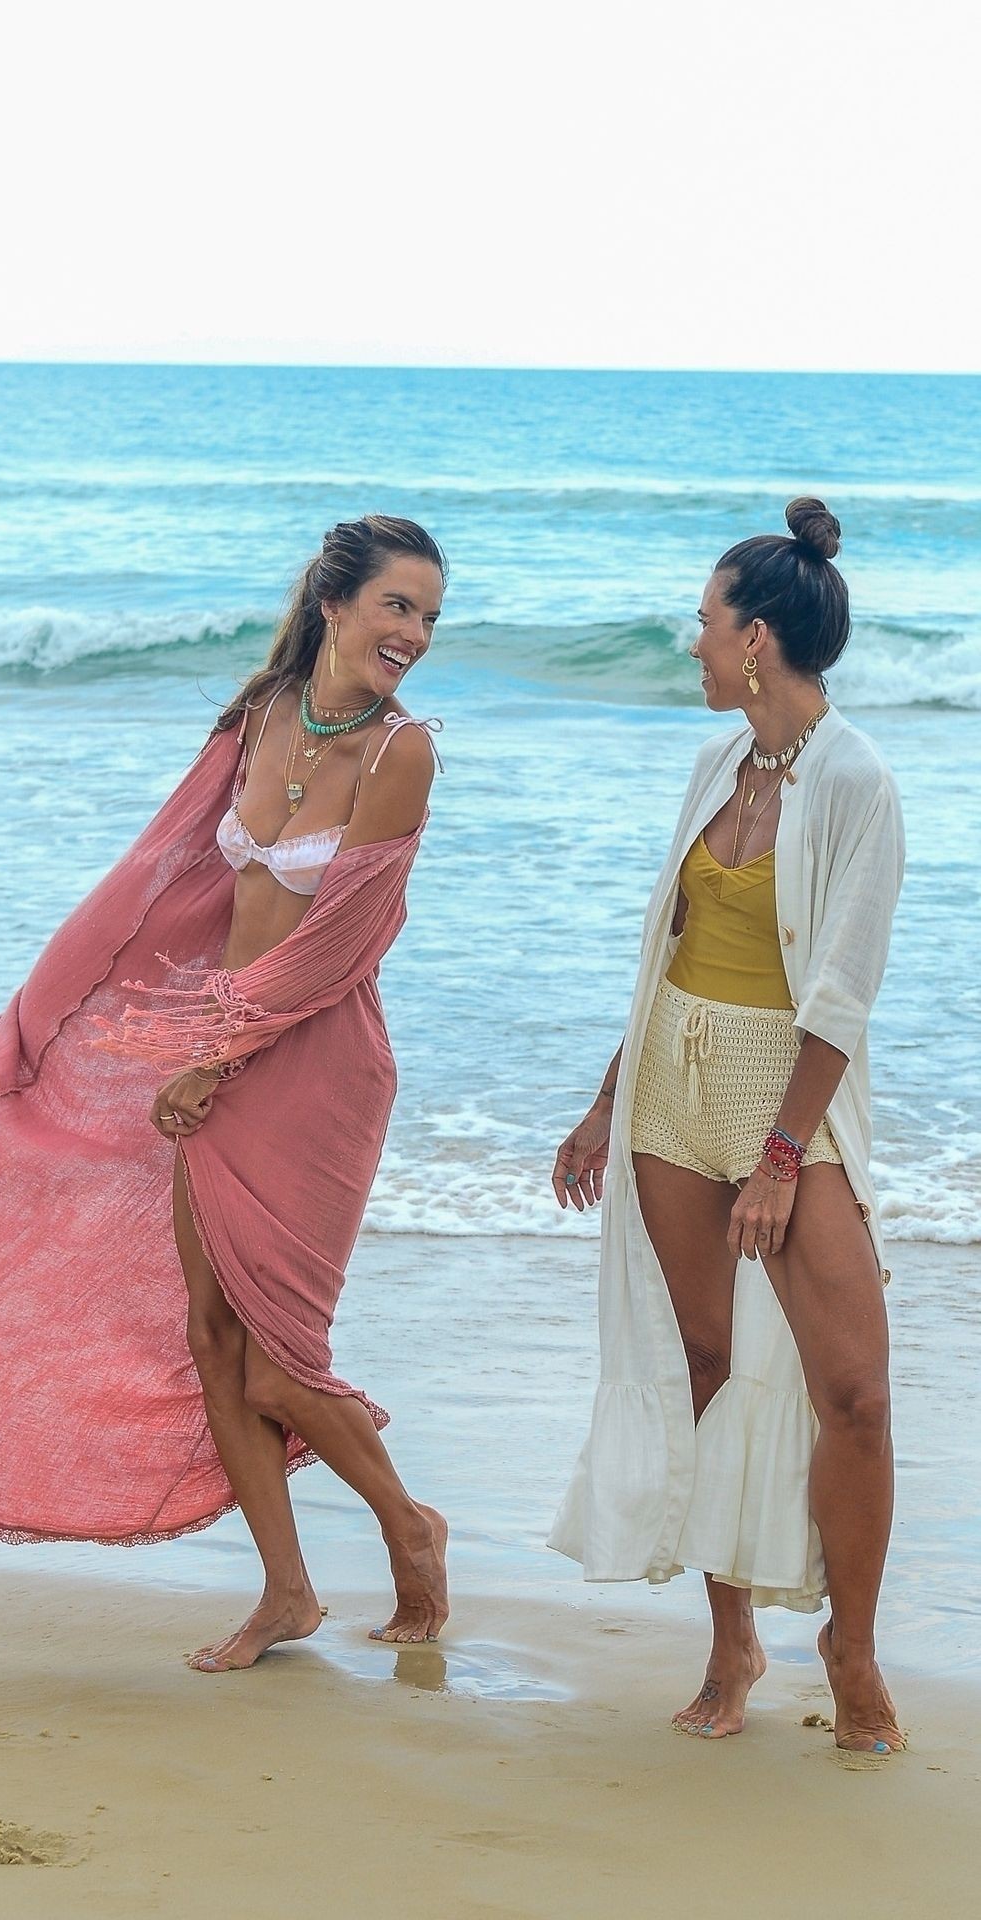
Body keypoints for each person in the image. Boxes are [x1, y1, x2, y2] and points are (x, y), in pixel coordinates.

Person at [0, 514, 450, 1673]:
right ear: (335, 604)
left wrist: (213, 1055)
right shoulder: (259, 717)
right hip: (214, 1049)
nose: (414, 634)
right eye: (398, 606)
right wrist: (55, 1020)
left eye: (431, 617)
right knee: (210, 1336)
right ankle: (287, 1593)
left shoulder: (402, 753)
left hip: (313, 1067)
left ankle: (409, 1528)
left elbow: (345, 942)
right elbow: (162, 875)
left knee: (274, 1357)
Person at [548, 499, 906, 1755]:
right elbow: (671, 945)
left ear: (756, 639)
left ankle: (851, 1647)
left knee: (852, 1391)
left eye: (704, 623)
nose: (691, 643)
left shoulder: (857, 780)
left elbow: (842, 991)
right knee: (706, 1365)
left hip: (782, 1097)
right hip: (671, 1086)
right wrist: (608, 1099)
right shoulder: (716, 765)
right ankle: (731, 1640)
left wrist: (782, 1157)